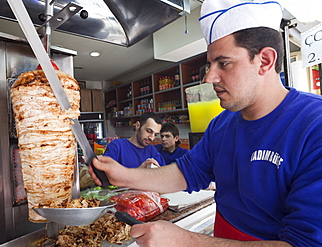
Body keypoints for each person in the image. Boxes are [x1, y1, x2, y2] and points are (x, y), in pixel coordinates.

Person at [89, 0, 322, 246]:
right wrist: (122, 175)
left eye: (224, 63)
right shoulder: (222, 124)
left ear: (264, 61)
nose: (210, 77)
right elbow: (186, 172)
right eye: (210, 64)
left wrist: (186, 241)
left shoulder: (313, 126)